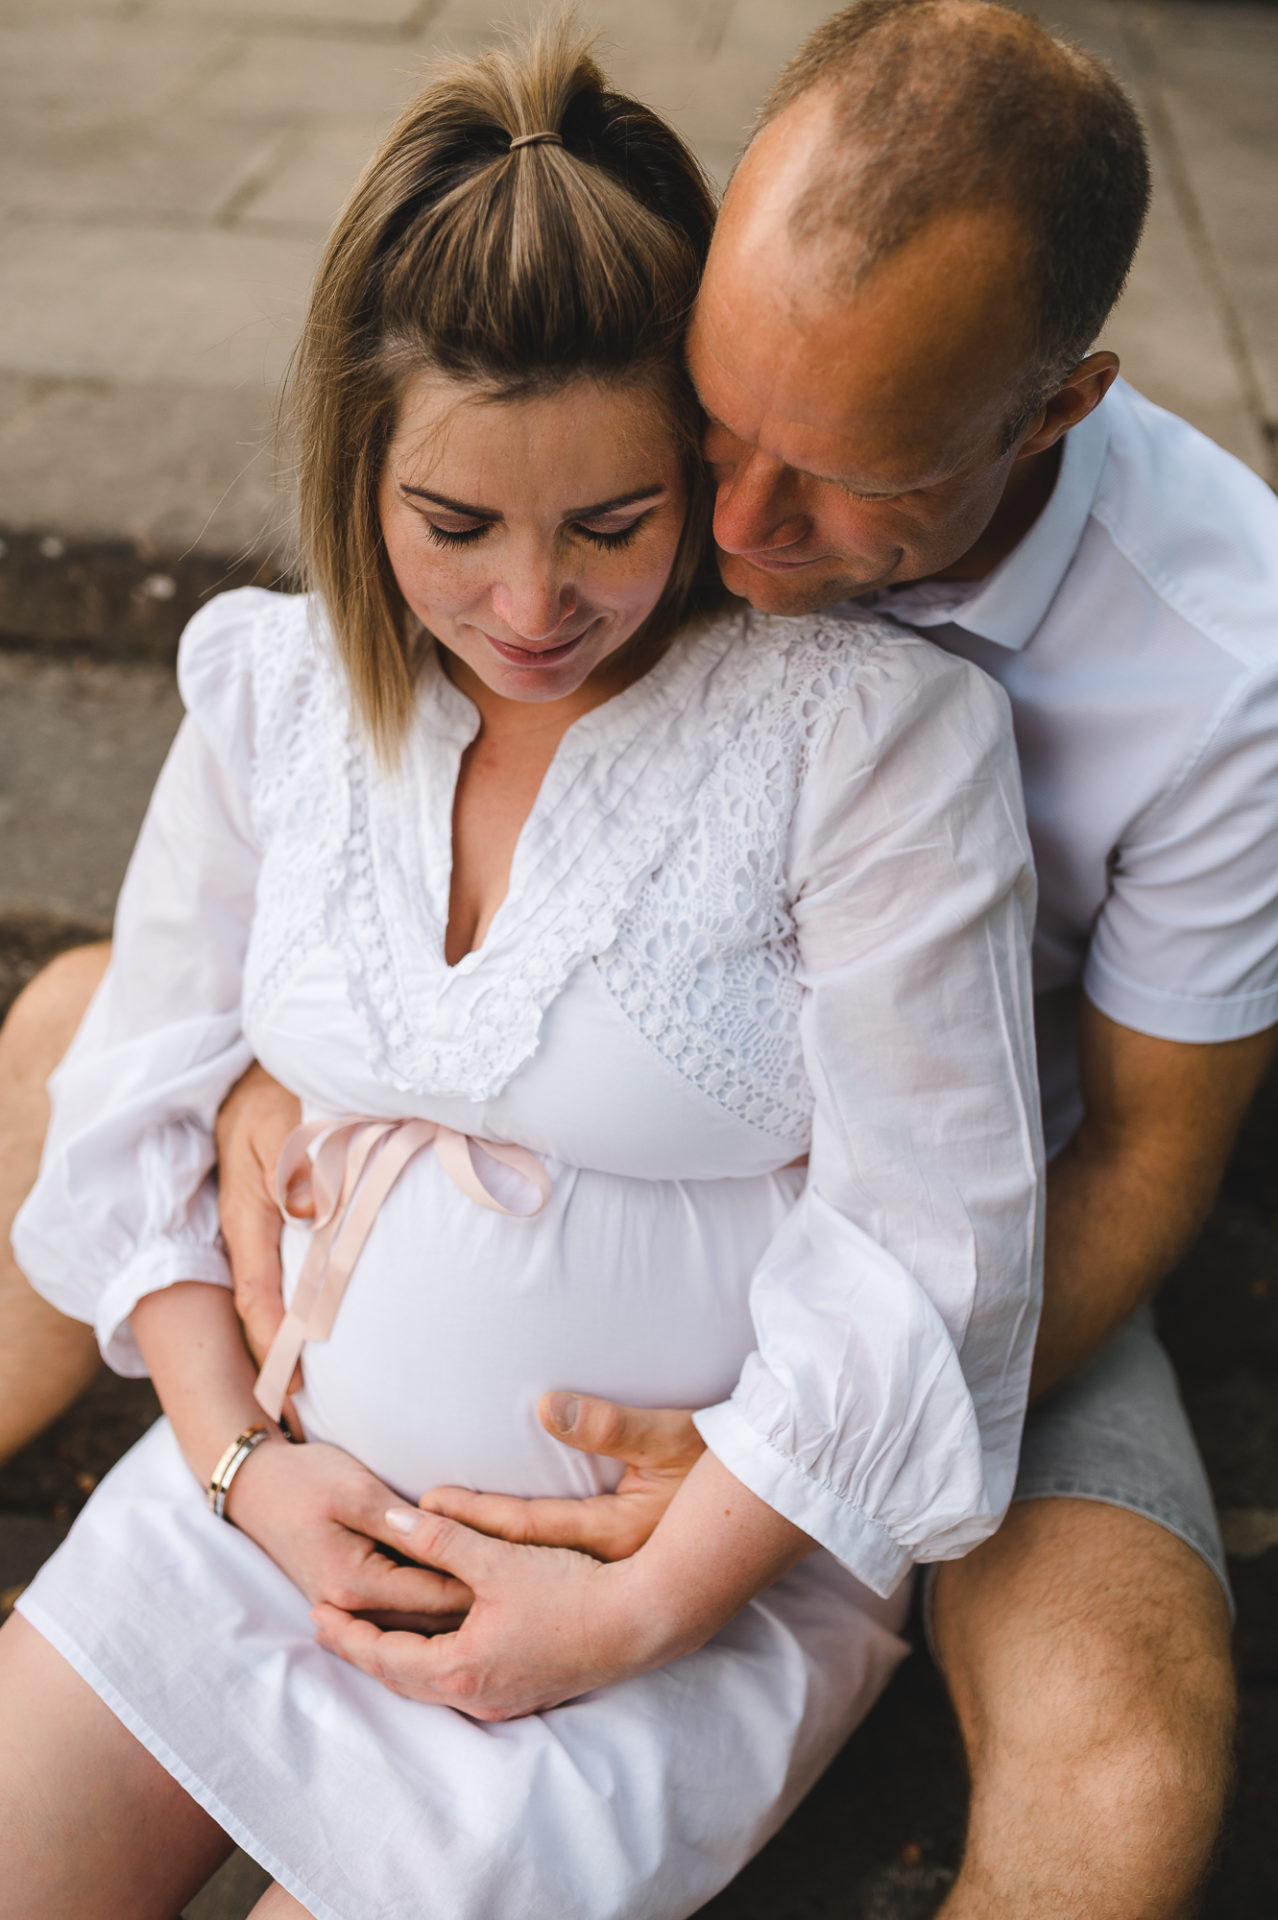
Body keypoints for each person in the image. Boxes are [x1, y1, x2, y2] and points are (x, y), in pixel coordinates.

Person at [197, 5, 1278, 1917]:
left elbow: (1128, 1166)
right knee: (76, 1046)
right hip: (616, 1119)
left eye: (849, 478)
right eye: (714, 427)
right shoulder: (697, 384)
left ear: (1054, 408)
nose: (741, 532)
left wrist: (771, 1449)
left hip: (992, 1251)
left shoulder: (1227, 668)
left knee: (1119, 1761)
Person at [0, 23, 1042, 1920]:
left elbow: (930, 1252)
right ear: (359, 465)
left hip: (667, 1594)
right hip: (268, 1499)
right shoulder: (278, 687)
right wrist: (242, 1464)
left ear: (702, 460)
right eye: (454, 524)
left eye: (613, 523)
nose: (531, 605)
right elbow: (132, 1098)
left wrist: (636, 1604)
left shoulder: (866, 743)